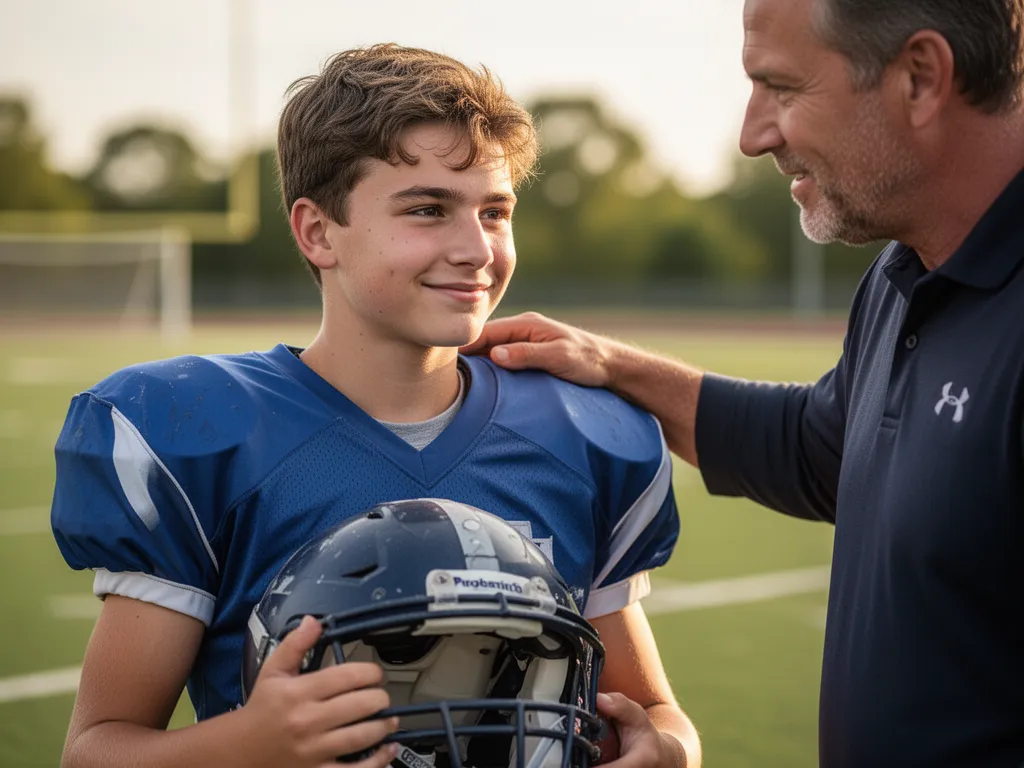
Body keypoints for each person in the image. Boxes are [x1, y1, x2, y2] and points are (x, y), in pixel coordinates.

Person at [50, 45, 701, 768]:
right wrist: (252, 746)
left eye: (495, 211)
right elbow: (96, 750)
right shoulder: (199, 439)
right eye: (428, 209)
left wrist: (669, 752)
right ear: (316, 231)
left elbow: (650, 712)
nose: (476, 249)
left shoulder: (581, 435)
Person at [463, 1, 1024, 766]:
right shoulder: (907, 272)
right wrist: (612, 367)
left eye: (782, 89)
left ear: (920, 78)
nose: (752, 133)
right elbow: (820, 448)